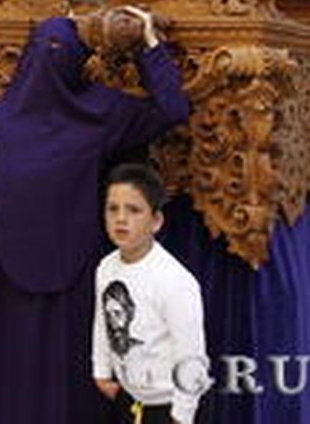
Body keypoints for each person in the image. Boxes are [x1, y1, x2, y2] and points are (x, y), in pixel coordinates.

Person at [0, 7, 190, 424]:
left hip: (5, 273)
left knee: (7, 379)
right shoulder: (100, 112)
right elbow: (172, 109)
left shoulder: (8, 117)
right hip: (76, 276)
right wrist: (149, 45)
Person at [92, 164, 207, 424]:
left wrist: (182, 415)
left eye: (133, 210)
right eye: (113, 209)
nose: (121, 219)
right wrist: (101, 371)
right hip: (129, 399)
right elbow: (102, 322)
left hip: (167, 407)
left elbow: (191, 355)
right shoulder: (106, 267)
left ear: (156, 221)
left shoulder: (174, 281)